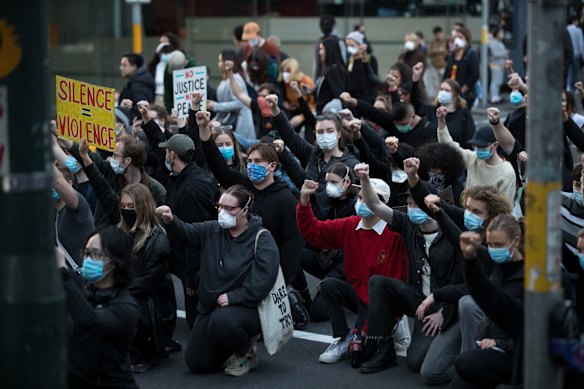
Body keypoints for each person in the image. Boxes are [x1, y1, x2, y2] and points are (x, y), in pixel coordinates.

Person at [355, 163, 464, 383]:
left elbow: (463, 281)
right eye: (409, 203)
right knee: (379, 283)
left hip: (446, 307)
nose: (412, 208)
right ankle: (383, 348)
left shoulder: (451, 233)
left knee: (421, 366)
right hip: (419, 300)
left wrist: (444, 312)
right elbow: (375, 204)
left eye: (416, 203)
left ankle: (460, 348)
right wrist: (365, 179)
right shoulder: (408, 225)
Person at [196, 111, 307, 327]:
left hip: (271, 271)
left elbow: (293, 243)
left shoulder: (286, 199)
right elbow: (219, 168)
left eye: (258, 161)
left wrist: (281, 279)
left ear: (272, 166)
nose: (252, 165)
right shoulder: (244, 188)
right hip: (243, 266)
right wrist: (204, 131)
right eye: (250, 161)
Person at [155, 185, 279, 376]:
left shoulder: (262, 238)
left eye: (229, 208)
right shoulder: (212, 229)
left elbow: (262, 282)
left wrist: (234, 297)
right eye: (220, 207)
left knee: (223, 323)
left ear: (245, 210)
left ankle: (247, 352)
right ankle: (229, 345)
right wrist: (171, 220)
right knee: (197, 364)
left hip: (247, 308)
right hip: (212, 307)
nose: (222, 212)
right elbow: (188, 233)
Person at [296, 177, 408, 365]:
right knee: (329, 285)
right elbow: (314, 232)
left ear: (381, 204)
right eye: (360, 198)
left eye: (367, 199)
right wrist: (304, 201)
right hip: (358, 294)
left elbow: (394, 284)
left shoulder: (393, 236)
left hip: (380, 301)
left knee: (358, 357)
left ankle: (393, 325)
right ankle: (343, 337)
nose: (361, 203)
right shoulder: (351, 225)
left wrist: (373, 323)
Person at [57, 226, 139, 389]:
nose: (87, 260)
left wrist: (62, 271)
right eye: (86, 253)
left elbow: (90, 321)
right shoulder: (89, 291)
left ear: (115, 262)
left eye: (95, 254)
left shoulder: (126, 307)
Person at [452, 220, 525, 389]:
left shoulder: (529, 278)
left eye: (499, 244)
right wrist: (469, 258)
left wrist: (499, 344)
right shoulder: (500, 268)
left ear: (516, 241)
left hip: (517, 354)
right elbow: (482, 293)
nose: (494, 250)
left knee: (466, 364)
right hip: (489, 345)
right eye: (490, 245)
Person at [157, 133, 216, 328]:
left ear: (172, 155)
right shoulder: (180, 178)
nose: (165, 155)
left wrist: (191, 278)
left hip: (191, 261)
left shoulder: (192, 188)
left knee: (197, 321)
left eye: (167, 151)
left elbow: (194, 235)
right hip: (179, 254)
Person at [67, 135, 167, 229]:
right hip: (104, 236)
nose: (111, 159)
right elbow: (93, 160)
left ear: (127, 161)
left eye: (116, 156)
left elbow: (157, 226)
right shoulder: (112, 174)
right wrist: (65, 140)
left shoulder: (156, 190)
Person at [436, 106, 516, 205]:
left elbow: (505, 207)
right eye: (475, 146)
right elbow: (450, 147)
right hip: (468, 213)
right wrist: (441, 120)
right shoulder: (473, 158)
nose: (478, 150)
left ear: (495, 145)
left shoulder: (507, 173)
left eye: (482, 146)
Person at [412, 62, 476, 150]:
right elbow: (414, 102)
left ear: (455, 94)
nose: (442, 92)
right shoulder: (430, 110)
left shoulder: (464, 115)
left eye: (447, 90)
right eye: (441, 89)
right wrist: (415, 79)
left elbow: (469, 141)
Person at [207, 50, 256, 142]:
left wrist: (216, 106)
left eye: (221, 61)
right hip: (229, 122)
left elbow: (239, 103)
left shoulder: (235, 79)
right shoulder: (225, 80)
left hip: (239, 125)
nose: (219, 64)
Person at [53, 164, 94, 267]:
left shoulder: (78, 205)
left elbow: (58, 181)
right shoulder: (54, 213)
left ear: (69, 184)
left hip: (82, 278)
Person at [443, 27, 479, 109]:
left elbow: (474, 75)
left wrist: (462, 90)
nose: (457, 40)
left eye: (460, 37)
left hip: (465, 95)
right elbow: (446, 73)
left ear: (466, 39)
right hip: (451, 94)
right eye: (456, 37)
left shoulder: (471, 54)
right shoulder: (452, 54)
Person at [315, 38, 348, 114]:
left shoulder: (333, 70)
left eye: (322, 49)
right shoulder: (330, 69)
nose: (320, 52)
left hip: (328, 114)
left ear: (329, 50)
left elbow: (338, 94)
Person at [345, 31, 378, 104]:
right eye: (347, 46)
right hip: (353, 98)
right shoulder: (350, 60)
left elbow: (373, 78)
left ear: (360, 44)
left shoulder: (370, 59)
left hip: (367, 98)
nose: (349, 48)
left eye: (352, 45)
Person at [314, 15, 347, 80]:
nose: (324, 27)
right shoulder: (319, 41)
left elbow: (343, 59)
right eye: (322, 24)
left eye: (327, 24)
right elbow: (316, 62)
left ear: (332, 25)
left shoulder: (338, 41)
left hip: (335, 75)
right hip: (320, 74)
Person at [147, 42, 175, 106]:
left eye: (169, 53)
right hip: (158, 97)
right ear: (159, 54)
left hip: (171, 99)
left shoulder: (174, 66)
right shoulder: (153, 67)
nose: (167, 55)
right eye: (164, 53)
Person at [426, 26, 448, 99]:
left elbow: (451, 51)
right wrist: (435, 51)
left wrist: (443, 51)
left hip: (444, 66)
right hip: (434, 66)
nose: (438, 36)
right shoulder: (433, 42)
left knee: (445, 82)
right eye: (436, 35)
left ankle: (445, 96)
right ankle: (438, 98)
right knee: (436, 83)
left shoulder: (447, 41)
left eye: (439, 34)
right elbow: (428, 53)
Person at [488, 28, 507, 104]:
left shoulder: (499, 42)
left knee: (498, 81)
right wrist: (504, 53)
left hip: (500, 65)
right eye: (501, 33)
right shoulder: (494, 43)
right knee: (495, 81)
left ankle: (496, 96)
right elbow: (495, 54)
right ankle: (493, 96)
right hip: (496, 65)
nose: (503, 35)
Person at [567, 16, 584, 91]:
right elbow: (581, 43)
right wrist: (583, 54)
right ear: (574, 21)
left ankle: (568, 86)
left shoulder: (566, 30)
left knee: (569, 71)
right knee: (576, 72)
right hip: (576, 54)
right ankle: (576, 87)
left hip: (568, 54)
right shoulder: (578, 30)